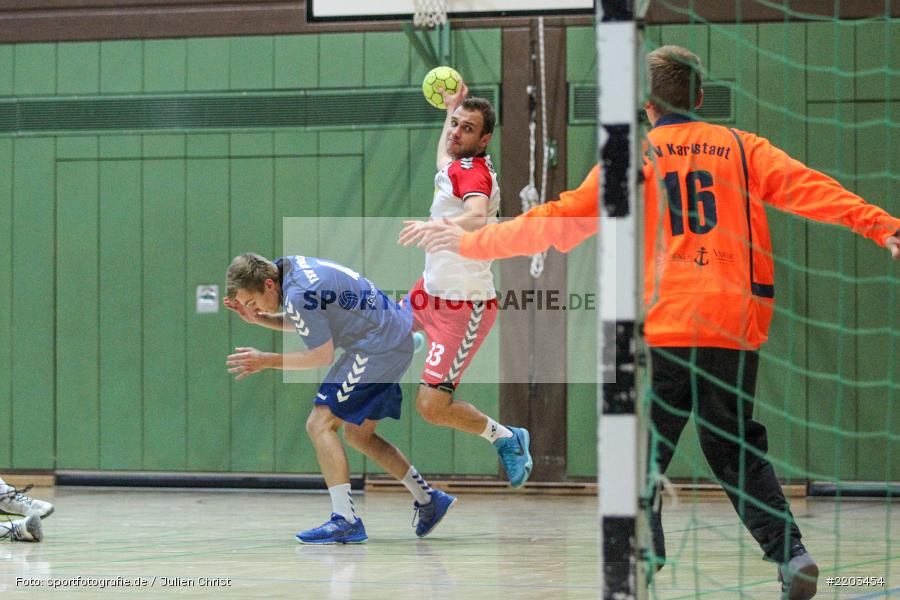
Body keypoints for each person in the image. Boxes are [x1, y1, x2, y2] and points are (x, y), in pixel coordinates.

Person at [417, 46, 900, 600]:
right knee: (735, 446)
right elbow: (813, 190)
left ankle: (649, 546)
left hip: (667, 322)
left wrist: (476, 241)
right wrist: (882, 225)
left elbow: (562, 220)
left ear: (643, 104)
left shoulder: (634, 157)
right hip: (733, 320)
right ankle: (791, 555)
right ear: (699, 97)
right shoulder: (743, 147)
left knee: (639, 448)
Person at [224, 253, 456, 544]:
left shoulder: (299, 292)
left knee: (319, 424)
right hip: (392, 338)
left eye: (250, 302)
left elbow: (320, 355)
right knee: (359, 435)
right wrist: (261, 319)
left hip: (378, 348)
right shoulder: (291, 268)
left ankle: (345, 520)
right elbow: (309, 319)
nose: (251, 308)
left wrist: (266, 360)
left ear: (269, 284)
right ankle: (429, 499)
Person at [397, 81, 533, 488]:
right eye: (456, 125)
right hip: (428, 292)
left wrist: (437, 225)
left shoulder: (475, 173)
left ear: (485, 138)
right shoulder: (456, 165)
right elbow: (444, 158)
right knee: (379, 331)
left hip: (463, 308)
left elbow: (476, 216)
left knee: (432, 406)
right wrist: (449, 111)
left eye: (466, 128)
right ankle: (409, 342)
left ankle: (507, 437)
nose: (456, 132)